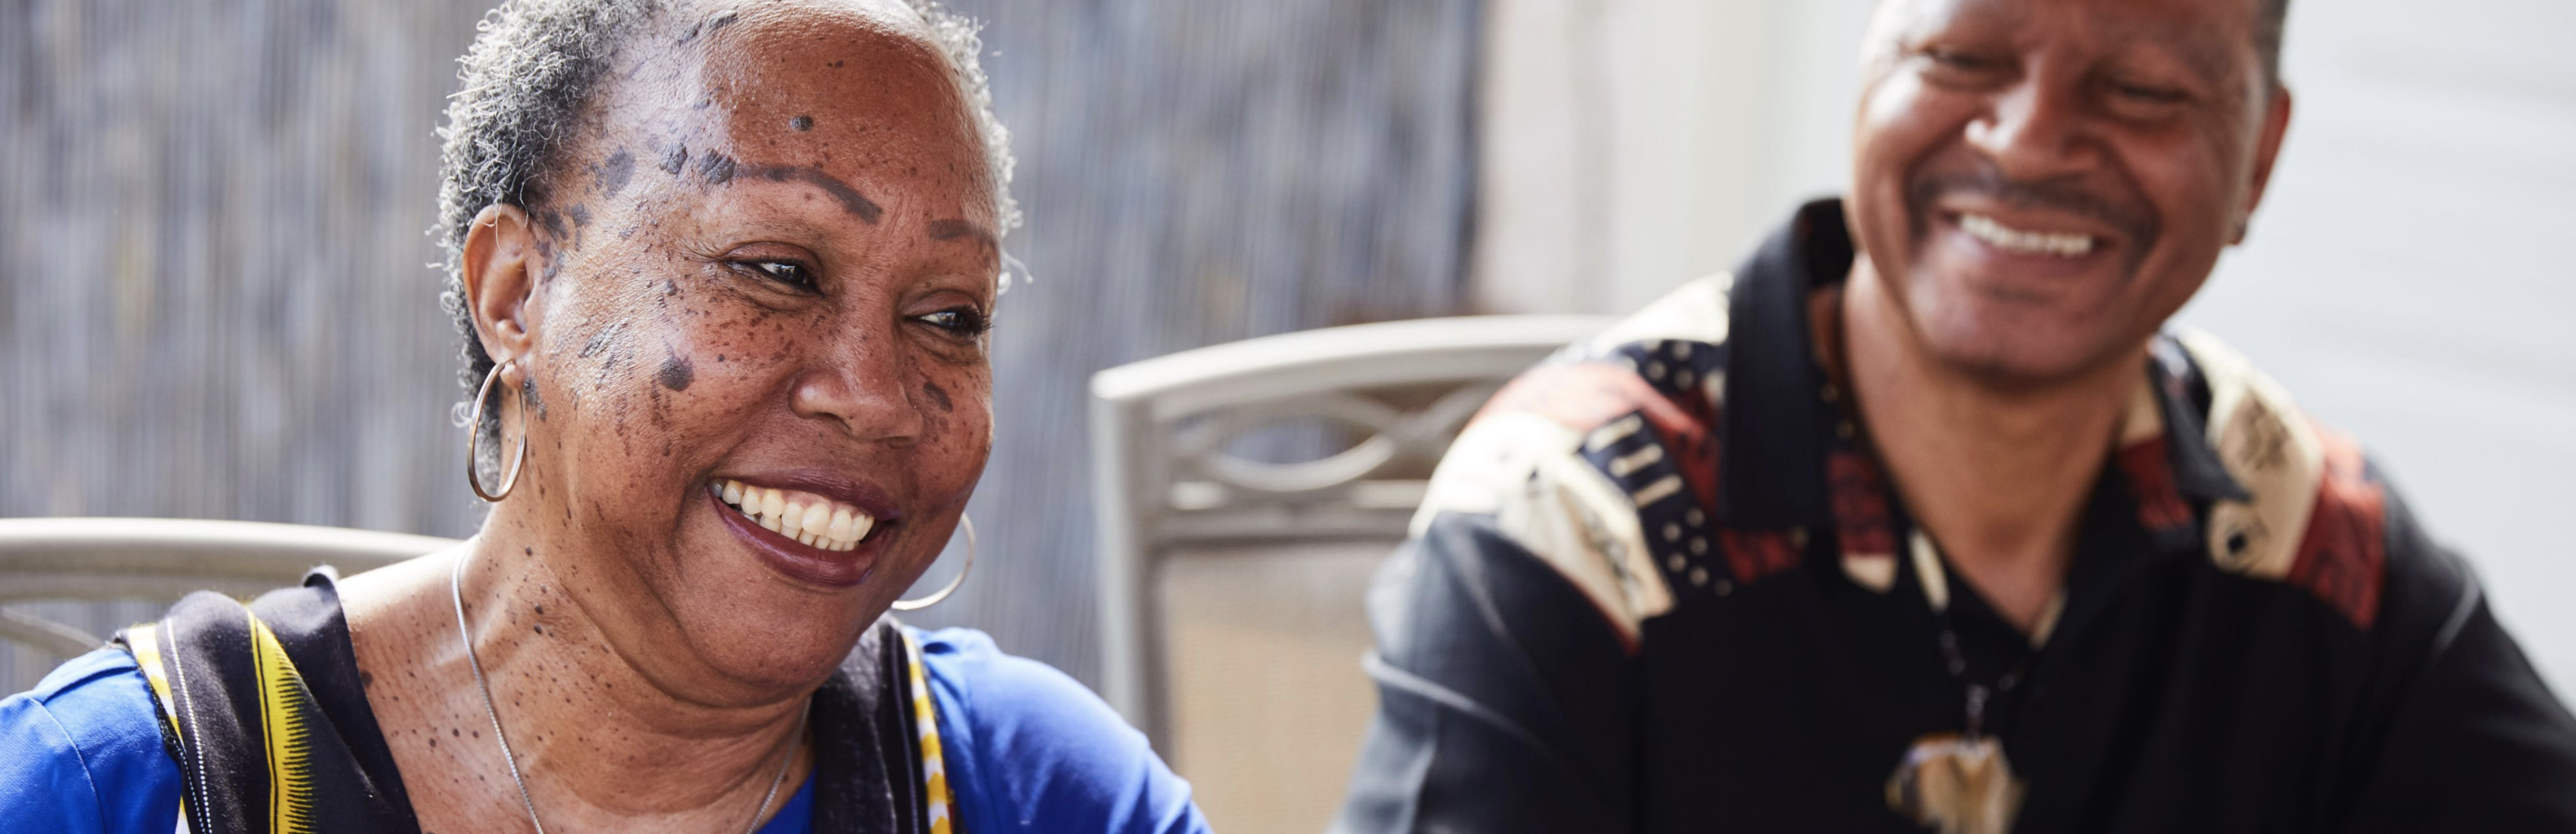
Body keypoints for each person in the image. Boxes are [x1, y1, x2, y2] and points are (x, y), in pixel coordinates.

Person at [1334, 0, 2576, 832]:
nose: (2029, 140)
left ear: (2258, 161)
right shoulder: (1567, 521)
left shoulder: (2307, 530)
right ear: (1868, 66)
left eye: (2140, 88)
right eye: (1962, 56)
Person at [0, 2, 1210, 832]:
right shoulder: (124, 787)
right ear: (515, 296)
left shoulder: (1025, 790)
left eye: (948, 316)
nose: (876, 393)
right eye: (777, 271)